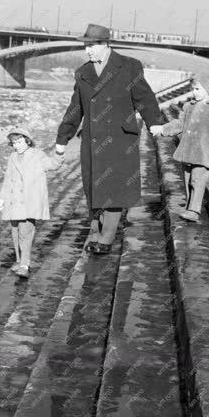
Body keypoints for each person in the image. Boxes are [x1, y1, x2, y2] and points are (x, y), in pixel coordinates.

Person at [55, 24, 163, 254]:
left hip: (120, 140)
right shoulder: (83, 72)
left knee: (113, 190)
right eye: (86, 46)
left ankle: (107, 238)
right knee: (93, 189)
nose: (88, 51)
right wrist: (63, 137)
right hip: (92, 141)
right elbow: (76, 108)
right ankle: (94, 232)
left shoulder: (129, 66)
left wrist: (154, 122)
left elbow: (144, 97)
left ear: (106, 44)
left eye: (92, 45)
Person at [151, 71, 209, 221]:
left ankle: (194, 210)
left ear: (208, 89)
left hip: (205, 153)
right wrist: (163, 129)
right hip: (187, 151)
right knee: (188, 181)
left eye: (198, 89)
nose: (194, 92)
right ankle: (189, 206)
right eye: (193, 89)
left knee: (197, 180)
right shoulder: (188, 106)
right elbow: (179, 124)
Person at [0, 127, 62, 278]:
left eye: (19, 142)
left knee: (25, 233)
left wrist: (59, 152)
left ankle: (25, 265)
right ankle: (19, 261)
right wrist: (2, 197)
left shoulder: (37, 155)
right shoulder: (12, 157)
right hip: (14, 202)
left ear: (27, 141)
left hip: (28, 202)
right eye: (14, 143)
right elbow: (7, 179)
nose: (16, 145)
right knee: (15, 232)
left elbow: (54, 164)